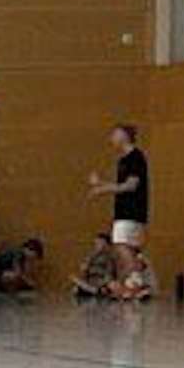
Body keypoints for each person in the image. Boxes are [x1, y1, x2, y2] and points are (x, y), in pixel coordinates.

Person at [89, 123, 149, 288]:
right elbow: (121, 184)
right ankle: (131, 283)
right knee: (130, 249)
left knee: (120, 245)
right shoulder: (122, 160)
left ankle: (136, 281)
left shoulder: (136, 157)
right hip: (125, 211)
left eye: (114, 134)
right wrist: (101, 183)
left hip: (131, 211)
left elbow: (131, 185)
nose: (111, 138)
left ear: (124, 136)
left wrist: (102, 189)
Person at [73, 234, 118, 299]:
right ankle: (92, 290)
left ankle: (97, 291)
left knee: (110, 286)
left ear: (107, 245)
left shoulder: (110, 258)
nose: (99, 246)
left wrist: (104, 283)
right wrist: (85, 269)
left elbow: (109, 274)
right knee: (76, 286)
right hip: (91, 281)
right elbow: (83, 271)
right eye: (97, 244)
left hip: (102, 282)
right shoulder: (91, 256)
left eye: (101, 244)